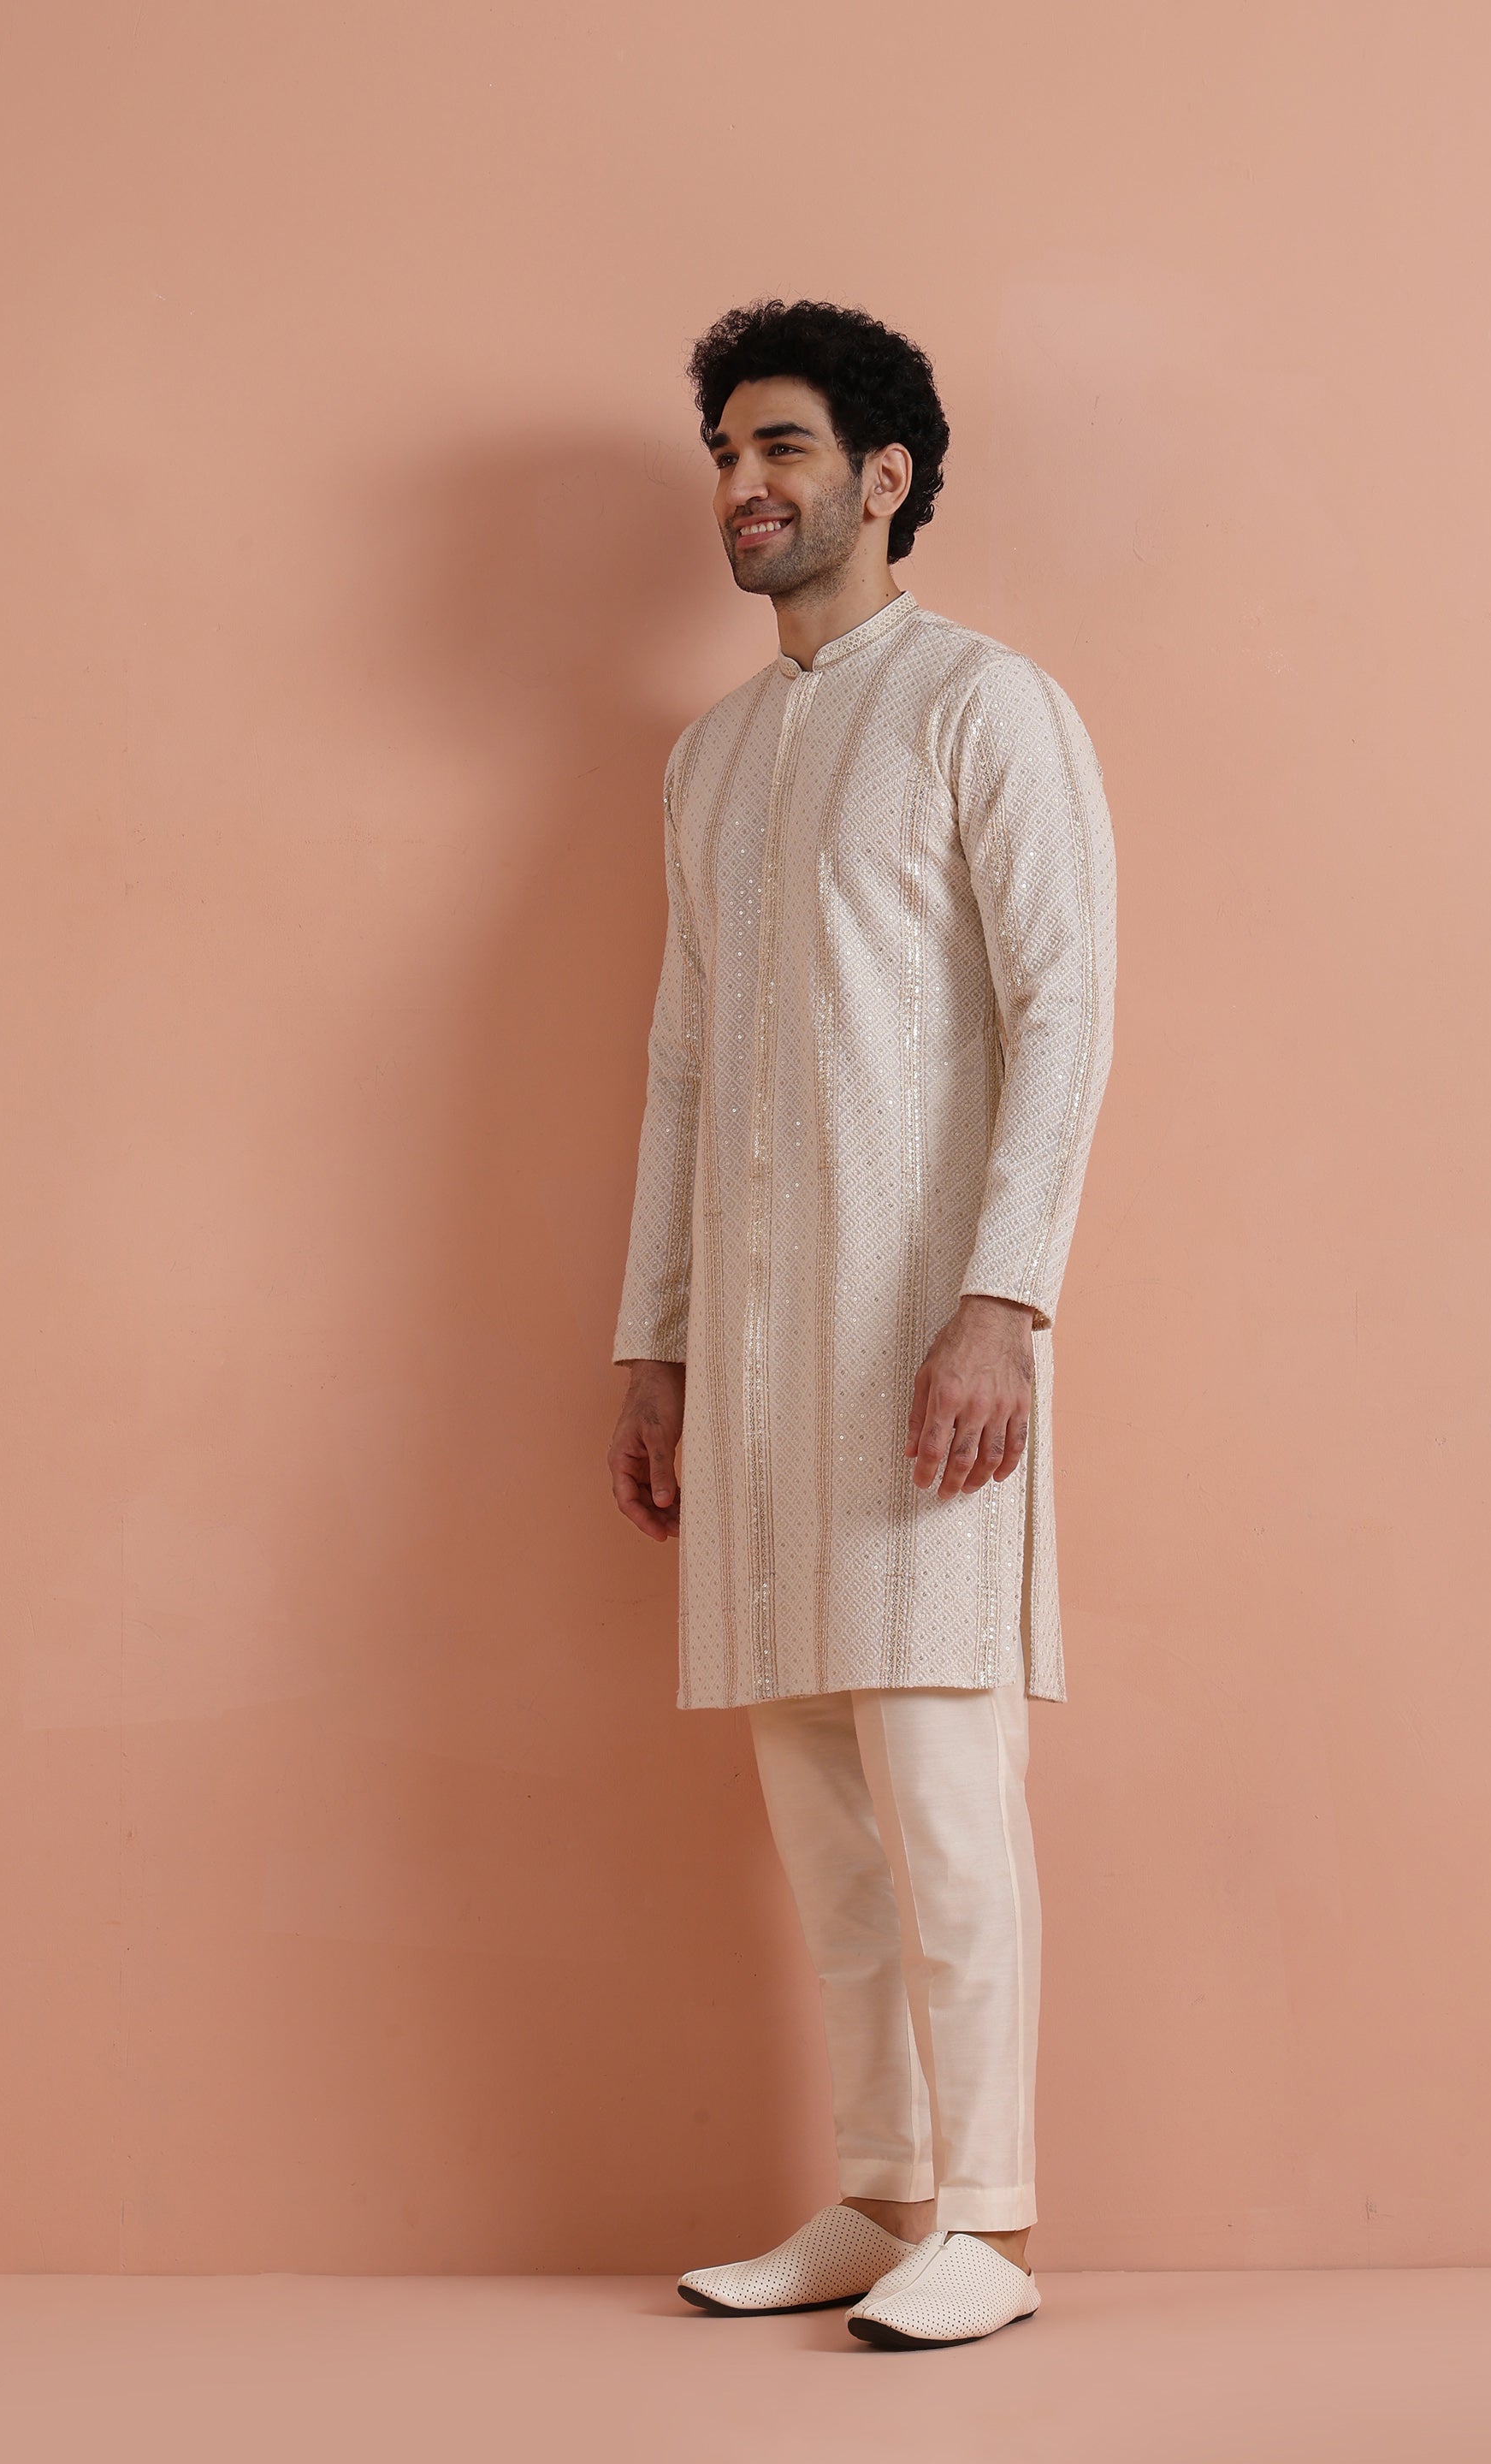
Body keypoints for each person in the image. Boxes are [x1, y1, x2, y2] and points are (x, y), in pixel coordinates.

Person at [607, 299, 1116, 2350]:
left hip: (926, 1347)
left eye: (784, 448)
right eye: (728, 454)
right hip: (752, 1366)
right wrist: (651, 1345)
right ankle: (884, 2192)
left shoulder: (989, 706)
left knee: (941, 1788)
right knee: (823, 1818)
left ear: (885, 477)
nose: (744, 486)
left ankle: (989, 2219)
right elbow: (682, 1066)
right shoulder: (713, 758)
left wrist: (1006, 1303)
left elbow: (1066, 1011)